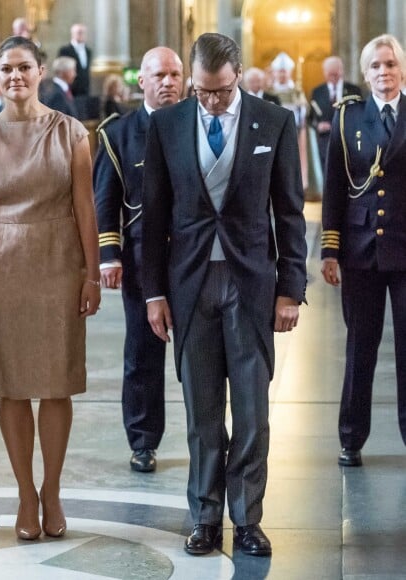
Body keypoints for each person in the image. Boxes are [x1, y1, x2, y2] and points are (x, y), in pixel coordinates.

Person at [142, 33, 307, 557]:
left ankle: (248, 519)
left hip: (252, 283)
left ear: (238, 74)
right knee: (203, 412)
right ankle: (206, 517)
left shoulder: (274, 122)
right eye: (202, 92)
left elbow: (289, 212)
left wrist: (291, 290)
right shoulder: (166, 125)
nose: (210, 102)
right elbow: (154, 217)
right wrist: (153, 293)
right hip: (189, 285)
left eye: (220, 91)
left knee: (253, 412)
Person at [0, 35, 100, 541]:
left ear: (40, 72)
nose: (15, 76)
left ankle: (52, 489)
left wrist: (93, 274)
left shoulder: (72, 132)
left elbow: (86, 208)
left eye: (24, 67)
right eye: (6, 69)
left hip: (60, 261)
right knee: (12, 385)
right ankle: (24, 494)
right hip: (5, 266)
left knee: (56, 384)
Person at [93, 47, 183, 473]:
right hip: (143, 259)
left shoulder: (196, 125)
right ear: (141, 82)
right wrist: (109, 255)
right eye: (159, 75)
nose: (168, 82)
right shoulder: (119, 133)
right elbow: (105, 199)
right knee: (142, 352)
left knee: (199, 351)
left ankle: (207, 434)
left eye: (175, 74)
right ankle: (143, 440)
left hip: (192, 256)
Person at [321, 34, 406, 468]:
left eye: (390, 64)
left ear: (402, 69)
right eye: (375, 65)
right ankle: (351, 438)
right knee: (360, 347)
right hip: (360, 250)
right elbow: (335, 187)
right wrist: (329, 250)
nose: (383, 72)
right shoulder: (347, 119)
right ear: (365, 72)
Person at [308, 56, 362, 174]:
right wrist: (318, 125)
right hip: (325, 141)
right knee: (327, 174)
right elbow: (311, 118)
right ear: (324, 73)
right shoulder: (317, 92)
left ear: (341, 71)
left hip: (349, 140)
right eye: (329, 74)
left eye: (335, 73)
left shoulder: (354, 90)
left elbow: (361, 114)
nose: (333, 77)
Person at [58, 23, 92, 98]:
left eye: (83, 33)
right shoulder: (65, 50)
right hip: (71, 91)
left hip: (85, 91)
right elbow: (61, 71)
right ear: (72, 34)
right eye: (79, 32)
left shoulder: (88, 51)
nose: (81, 35)